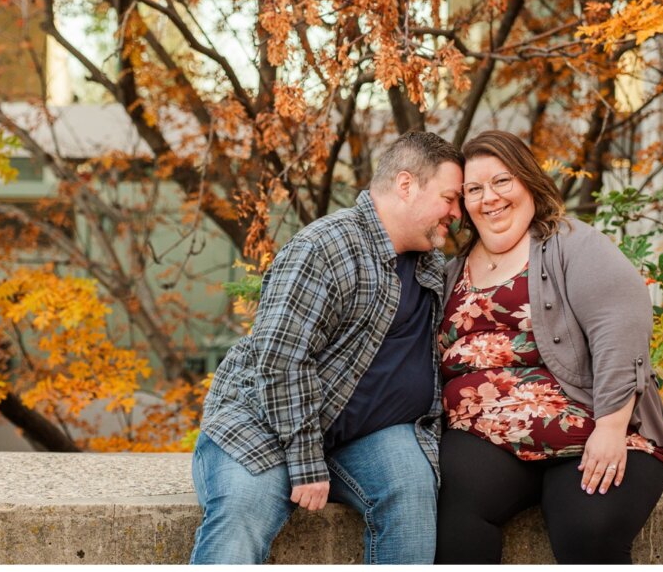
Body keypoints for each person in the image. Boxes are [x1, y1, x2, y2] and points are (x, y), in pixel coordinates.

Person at [190, 131, 464, 564]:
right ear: (407, 185)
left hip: (360, 437)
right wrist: (305, 461)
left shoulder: (429, 261)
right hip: (266, 426)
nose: (457, 213)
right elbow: (280, 361)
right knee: (244, 511)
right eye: (450, 198)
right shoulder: (327, 247)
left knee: (413, 490)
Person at [434, 130, 663, 564]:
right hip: (482, 441)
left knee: (589, 530)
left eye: (502, 181)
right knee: (446, 517)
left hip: (589, 430)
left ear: (528, 181)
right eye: (474, 189)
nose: (489, 198)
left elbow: (621, 323)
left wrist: (610, 426)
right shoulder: (451, 271)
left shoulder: (570, 243)